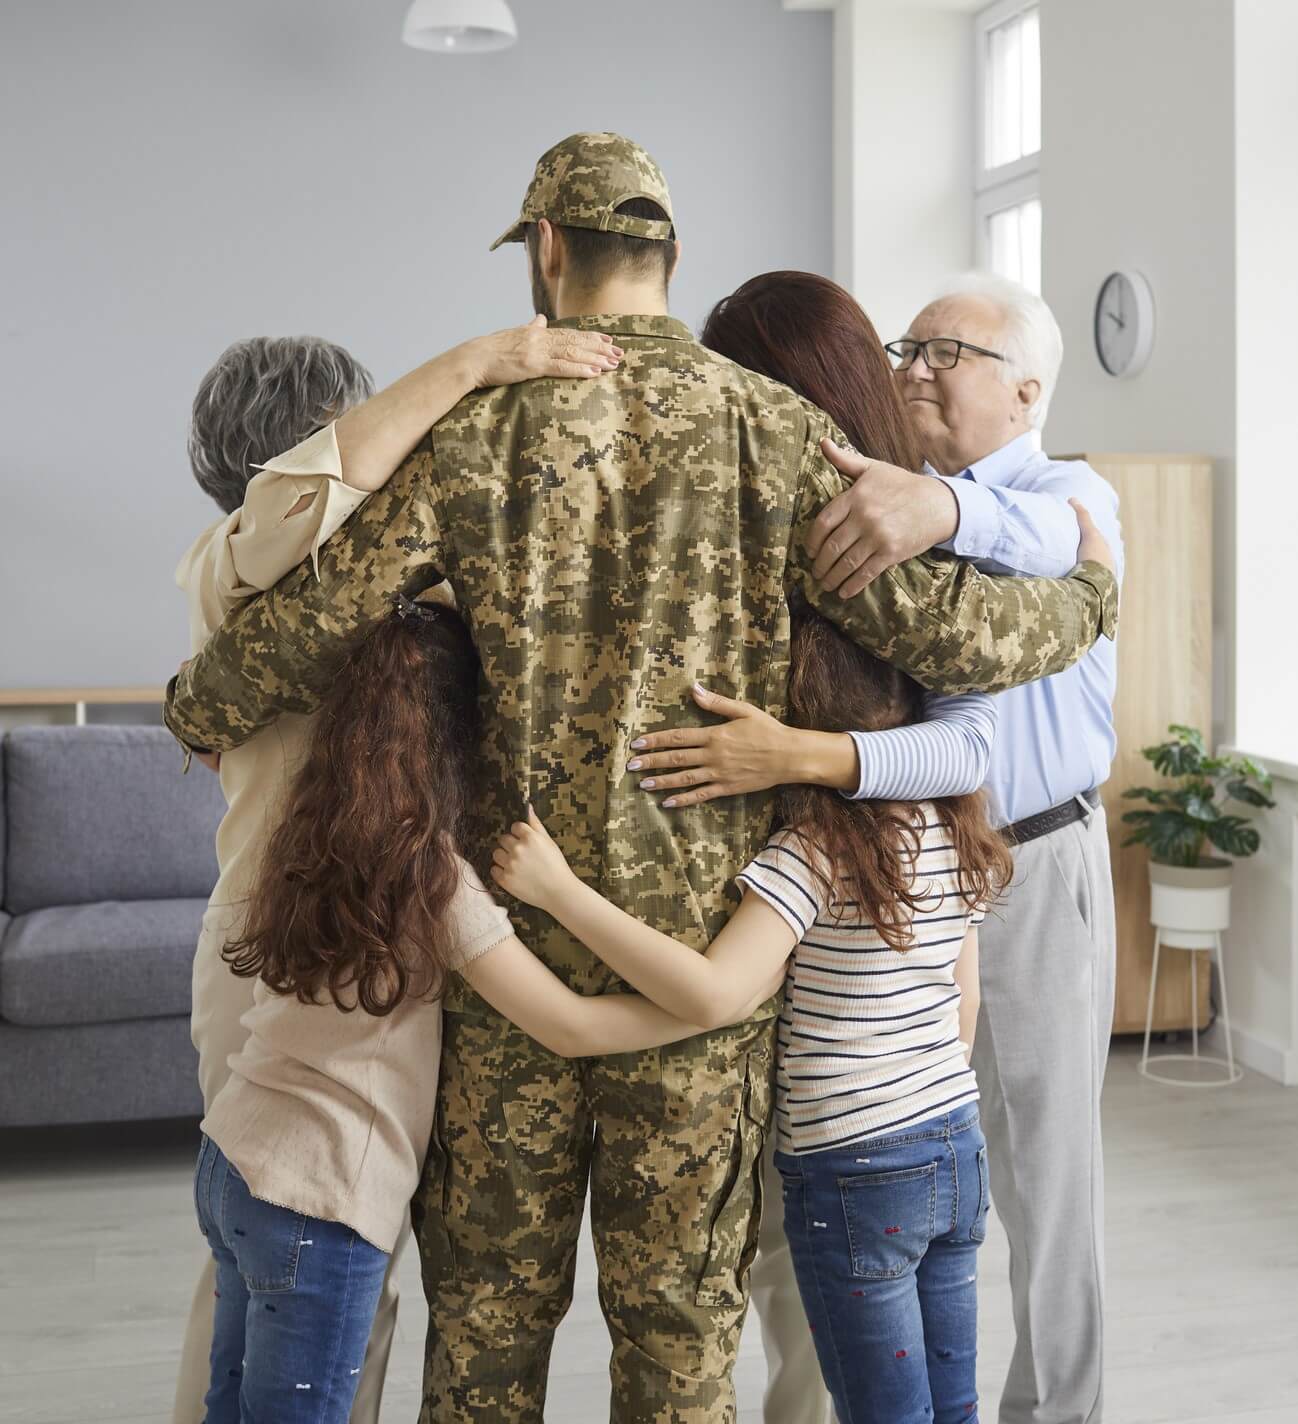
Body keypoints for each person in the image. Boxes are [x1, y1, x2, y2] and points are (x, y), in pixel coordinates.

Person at [162, 132, 1117, 1423]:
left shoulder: (477, 434)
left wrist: (199, 707)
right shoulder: (772, 431)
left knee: (485, 1342)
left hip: (509, 967)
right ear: (667, 257)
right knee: (678, 1354)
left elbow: (319, 615)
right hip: (697, 982)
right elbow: (957, 633)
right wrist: (1091, 586)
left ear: (546, 252)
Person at [632, 272, 1122, 1424]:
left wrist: (940, 511)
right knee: (884, 1160)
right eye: (905, 347)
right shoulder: (854, 502)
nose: (914, 369)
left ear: (1026, 388)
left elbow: (1069, 549)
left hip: (1030, 857)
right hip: (870, 870)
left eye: (946, 352)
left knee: (1044, 1183)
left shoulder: (1062, 493)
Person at [173, 320, 619, 1424]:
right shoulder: (236, 559)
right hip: (284, 940)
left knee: (319, 1250)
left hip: (393, 924)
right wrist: (476, 363)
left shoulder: (392, 577)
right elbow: (304, 495)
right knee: (293, 1247)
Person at [194, 595, 778, 1424]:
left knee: (228, 1404)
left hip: (230, 1158)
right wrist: (714, 1003)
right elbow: (568, 1026)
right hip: (319, 1198)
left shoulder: (306, 822)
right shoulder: (432, 877)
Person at [486, 588, 1013, 1424]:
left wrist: (559, 892)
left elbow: (714, 990)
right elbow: (964, 1002)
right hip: (955, 1142)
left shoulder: (817, 851)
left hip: (856, 1170)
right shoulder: (955, 829)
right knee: (953, 1408)